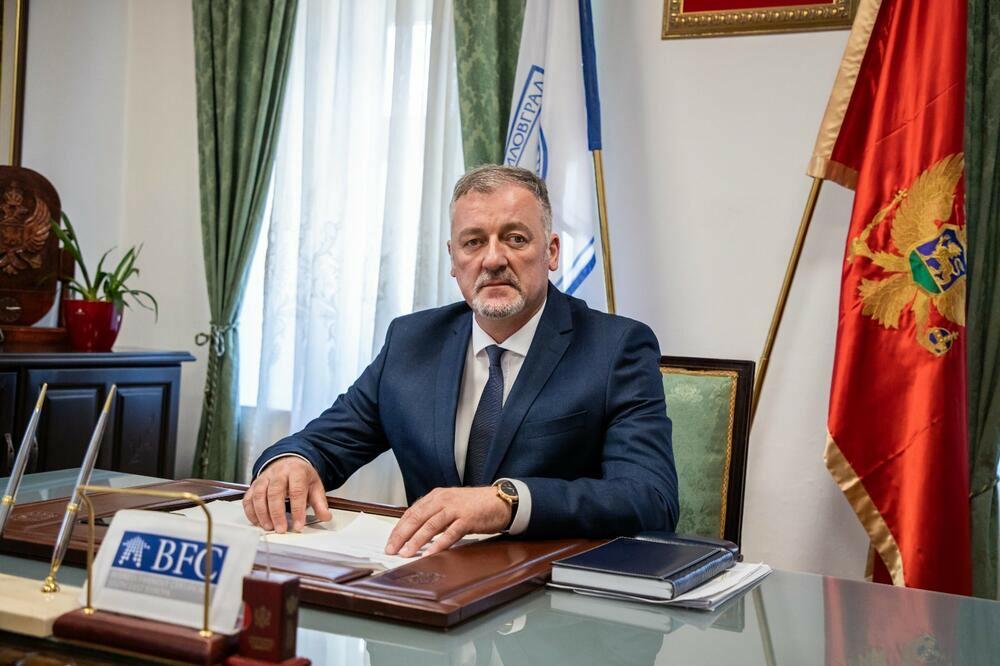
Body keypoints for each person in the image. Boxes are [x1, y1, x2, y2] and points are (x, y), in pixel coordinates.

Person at [244, 165, 678, 557]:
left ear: (551, 252)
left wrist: (507, 501)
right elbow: (324, 442)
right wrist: (291, 463)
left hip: (549, 591)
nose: (493, 259)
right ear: (453, 259)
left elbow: (650, 499)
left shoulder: (615, 348)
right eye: (473, 242)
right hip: (429, 584)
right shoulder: (412, 341)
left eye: (515, 238)